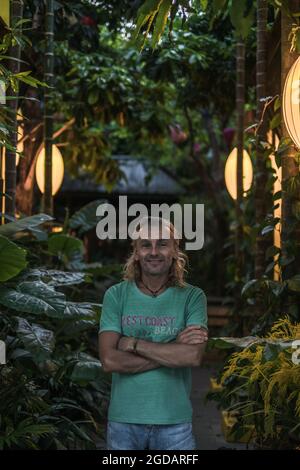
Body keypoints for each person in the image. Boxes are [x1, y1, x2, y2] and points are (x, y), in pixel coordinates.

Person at [98, 216, 208, 450]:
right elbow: (109, 360)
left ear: (175, 250)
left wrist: (134, 343)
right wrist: (173, 347)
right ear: (136, 252)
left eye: (163, 244)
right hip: (123, 421)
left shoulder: (193, 297)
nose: (154, 251)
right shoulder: (116, 295)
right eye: (146, 244)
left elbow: (192, 357)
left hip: (174, 423)